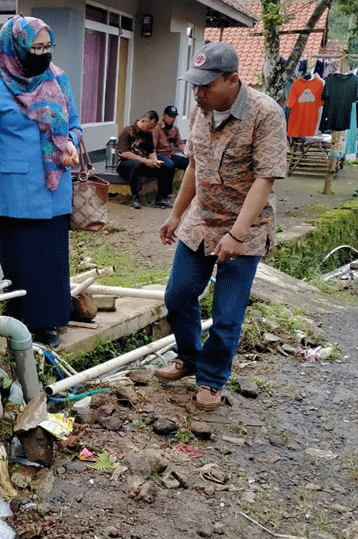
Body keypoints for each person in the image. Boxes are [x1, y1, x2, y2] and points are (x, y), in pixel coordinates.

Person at [155, 42, 287, 409]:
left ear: (232, 80)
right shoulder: (201, 111)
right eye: (194, 85)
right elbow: (195, 166)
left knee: (227, 314)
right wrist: (176, 215)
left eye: (206, 86)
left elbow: (265, 179)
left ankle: (212, 379)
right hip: (202, 220)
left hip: (246, 226)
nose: (197, 94)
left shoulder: (265, 113)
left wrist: (237, 235)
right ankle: (189, 356)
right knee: (178, 295)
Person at [0, 15, 81, 348]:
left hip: (55, 186)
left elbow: (74, 124)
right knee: (21, 262)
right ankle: (18, 325)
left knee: (52, 259)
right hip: (13, 191)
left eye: (48, 47)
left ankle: (50, 324)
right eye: (35, 48)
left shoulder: (59, 80)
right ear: (16, 47)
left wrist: (71, 141)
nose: (43, 54)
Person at [115, 111, 171, 209]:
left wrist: (154, 161)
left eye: (153, 127)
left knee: (165, 166)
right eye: (149, 127)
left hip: (143, 162)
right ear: (143, 121)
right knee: (136, 165)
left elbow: (150, 150)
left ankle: (162, 198)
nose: (151, 129)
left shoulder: (148, 134)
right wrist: (145, 161)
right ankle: (135, 197)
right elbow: (125, 153)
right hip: (125, 163)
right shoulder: (127, 131)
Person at [152, 105, 189, 201]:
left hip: (170, 154)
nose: (171, 119)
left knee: (188, 162)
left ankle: (185, 191)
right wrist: (154, 160)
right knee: (169, 165)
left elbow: (180, 144)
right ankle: (165, 194)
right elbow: (153, 146)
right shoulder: (157, 129)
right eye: (169, 116)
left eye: (174, 117)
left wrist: (188, 154)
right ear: (163, 116)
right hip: (160, 155)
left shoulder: (175, 129)